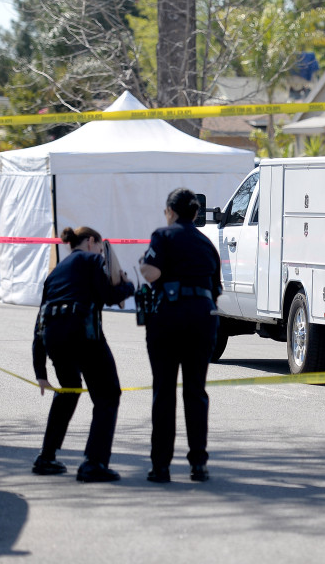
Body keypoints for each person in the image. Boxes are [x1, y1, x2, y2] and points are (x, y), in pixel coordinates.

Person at [32, 226, 134, 482]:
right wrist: (128, 285)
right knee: (108, 396)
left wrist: (40, 371)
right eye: (100, 247)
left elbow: (40, 321)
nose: (102, 253)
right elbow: (109, 296)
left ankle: (46, 457)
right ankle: (94, 463)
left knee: (68, 390)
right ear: (91, 242)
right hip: (83, 332)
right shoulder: (93, 260)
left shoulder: (55, 273)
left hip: (54, 337)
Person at [138, 188, 221, 483]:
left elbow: (150, 272)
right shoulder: (206, 243)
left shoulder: (163, 234)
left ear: (170, 212)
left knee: (164, 391)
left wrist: (143, 264)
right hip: (203, 317)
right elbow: (216, 288)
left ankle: (161, 466)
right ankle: (199, 464)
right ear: (196, 213)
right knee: (195, 391)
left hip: (169, 317)